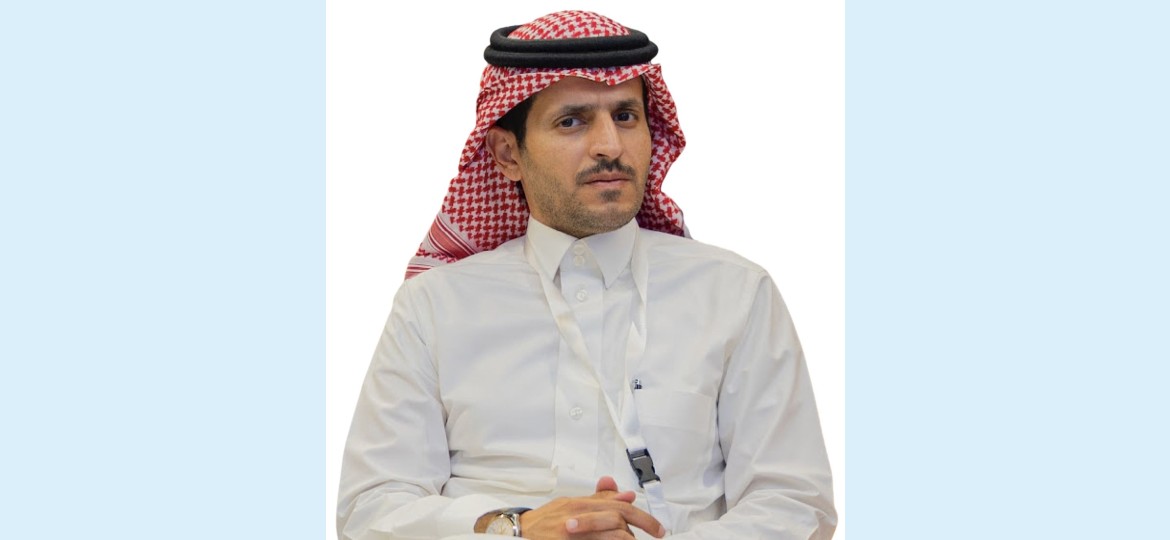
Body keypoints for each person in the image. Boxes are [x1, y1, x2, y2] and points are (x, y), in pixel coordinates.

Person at [338, 10, 836, 539]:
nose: (610, 146)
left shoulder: (735, 293)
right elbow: (370, 510)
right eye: (571, 121)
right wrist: (515, 528)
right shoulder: (433, 306)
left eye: (625, 116)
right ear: (507, 154)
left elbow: (795, 503)